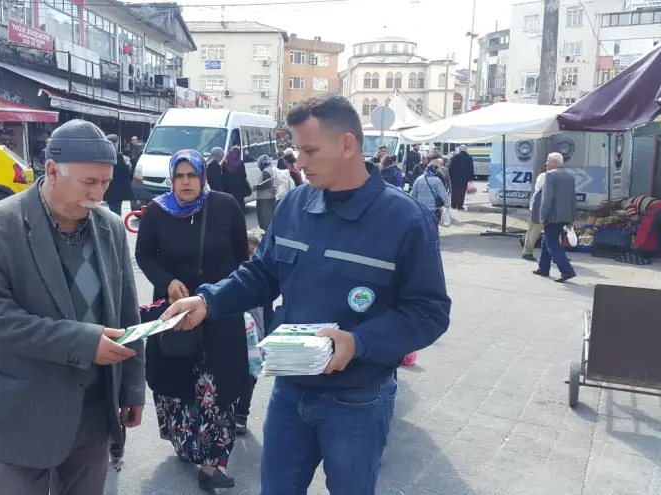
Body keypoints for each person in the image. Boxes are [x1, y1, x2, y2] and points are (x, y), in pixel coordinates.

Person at [159, 94, 451, 494]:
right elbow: (262, 273)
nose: (299, 161)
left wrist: (359, 342)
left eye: (309, 150)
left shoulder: (404, 220)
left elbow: (429, 312)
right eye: (297, 149)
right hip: (289, 390)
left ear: (348, 144)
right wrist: (207, 301)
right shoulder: (295, 203)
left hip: (358, 400)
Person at [0, 119, 145, 494]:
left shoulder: (109, 227)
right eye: (89, 183)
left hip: (92, 413)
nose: (98, 194)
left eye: (106, 182)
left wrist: (131, 388)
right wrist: (82, 342)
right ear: (51, 171)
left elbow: (127, 310)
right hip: (21, 415)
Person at [134, 149, 249, 491]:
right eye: (179, 176)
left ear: (203, 176)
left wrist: (225, 295)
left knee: (219, 388)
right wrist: (168, 281)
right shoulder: (157, 211)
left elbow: (242, 258)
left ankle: (212, 465)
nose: (186, 183)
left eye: (192, 176)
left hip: (218, 314)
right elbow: (144, 254)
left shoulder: (226, 206)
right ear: (172, 179)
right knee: (178, 384)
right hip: (174, 314)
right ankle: (187, 446)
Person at [235, 228, 273, 436]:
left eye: (254, 255)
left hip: (256, 337)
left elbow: (267, 311)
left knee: (250, 377)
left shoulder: (262, 281)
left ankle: (242, 414)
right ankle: (230, 411)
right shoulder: (233, 278)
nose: (249, 259)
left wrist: (268, 335)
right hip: (234, 337)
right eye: (246, 253)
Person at [534, 152, 578, 283]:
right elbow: (573, 198)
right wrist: (572, 217)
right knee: (545, 241)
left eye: (548, 160)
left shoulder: (550, 176)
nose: (546, 163)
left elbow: (547, 198)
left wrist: (543, 216)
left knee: (552, 243)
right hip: (566, 215)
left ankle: (567, 270)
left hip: (553, 216)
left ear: (554, 162)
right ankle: (543, 268)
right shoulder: (570, 177)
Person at [104, 133, 134, 216]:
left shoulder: (104, 157)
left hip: (109, 190)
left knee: (114, 211)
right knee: (116, 213)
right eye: (116, 143)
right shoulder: (118, 157)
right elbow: (126, 172)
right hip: (115, 190)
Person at [522, 170, 547, 261]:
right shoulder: (543, 176)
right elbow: (541, 187)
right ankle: (527, 252)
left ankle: (558, 254)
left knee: (555, 233)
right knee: (533, 232)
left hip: (551, 210)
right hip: (538, 209)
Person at [222, 145, 250, 210]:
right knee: (240, 207)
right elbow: (244, 176)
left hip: (228, 190)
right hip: (239, 190)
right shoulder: (240, 163)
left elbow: (223, 176)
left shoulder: (225, 163)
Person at [448, 145, 475, 210]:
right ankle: (460, 206)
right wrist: (470, 178)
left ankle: (453, 205)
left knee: (454, 191)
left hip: (455, 178)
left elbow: (450, 167)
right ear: (466, 149)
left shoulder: (455, 157)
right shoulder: (469, 157)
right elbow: (471, 169)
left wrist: (450, 176)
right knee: (462, 192)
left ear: (459, 149)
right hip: (464, 179)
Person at [255, 154, 278, 230]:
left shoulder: (265, 171)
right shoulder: (273, 168)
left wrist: (256, 187)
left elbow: (265, 184)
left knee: (266, 218)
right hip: (272, 196)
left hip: (265, 198)